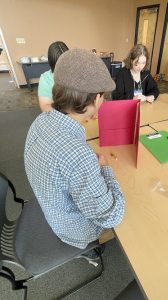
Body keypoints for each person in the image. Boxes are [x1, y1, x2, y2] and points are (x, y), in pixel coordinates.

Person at [24, 49, 125, 250]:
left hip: (51, 208)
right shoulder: (78, 155)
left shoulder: (40, 121)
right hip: (73, 228)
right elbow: (112, 216)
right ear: (97, 99)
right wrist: (105, 169)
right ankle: (91, 248)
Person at [38, 41, 69, 112]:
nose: (63, 67)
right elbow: (45, 106)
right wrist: (70, 111)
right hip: (62, 116)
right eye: (59, 65)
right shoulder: (46, 78)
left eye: (66, 63)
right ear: (52, 63)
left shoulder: (77, 72)